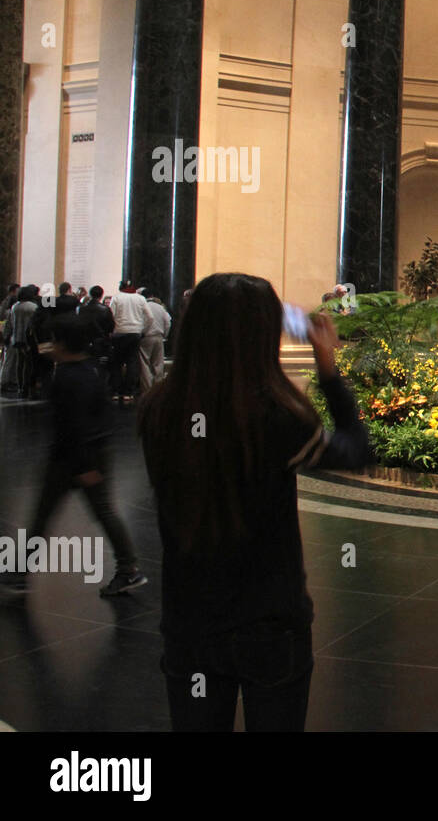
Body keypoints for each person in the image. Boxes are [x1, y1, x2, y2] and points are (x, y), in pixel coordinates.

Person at [137, 273, 370, 732]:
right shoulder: (277, 416)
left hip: (190, 619)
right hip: (269, 622)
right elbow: (356, 450)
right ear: (263, 333)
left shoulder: (158, 410)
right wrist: (329, 371)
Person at [2, 315, 145, 596]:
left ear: (63, 343)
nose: (49, 345)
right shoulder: (89, 371)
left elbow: (73, 425)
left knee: (50, 512)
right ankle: (127, 568)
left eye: (53, 339)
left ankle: (20, 572)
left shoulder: (68, 378)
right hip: (89, 455)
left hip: (73, 460)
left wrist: (83, 465)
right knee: (95, 511)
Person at [108, 280, 149, 402]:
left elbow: (111, 315)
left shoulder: (116, 298)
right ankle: (129, 391)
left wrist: (112, 330)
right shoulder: (140, 299)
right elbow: (150, 317)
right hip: (135, 333)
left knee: (117, 363)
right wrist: (142, 330)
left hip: (119, 333)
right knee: (132, 362)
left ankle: (117, 390)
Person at [1, 285, 39, 399]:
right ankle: (25, 386)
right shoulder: (33, 307)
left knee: (19, 363)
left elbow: (11, 323)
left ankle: (19, 385)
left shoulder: (15, 306)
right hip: (28, 339)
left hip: (16, 338)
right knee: (28, 364)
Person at [138, 296, 172, 392]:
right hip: (159, 337)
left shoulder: (144, 306)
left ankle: (147, 389)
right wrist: (165, 335)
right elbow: (168, 323)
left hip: (146, 337)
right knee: (158, 364)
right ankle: (158, 388)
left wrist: (142, 333)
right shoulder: (160, 308)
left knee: (145, 363)